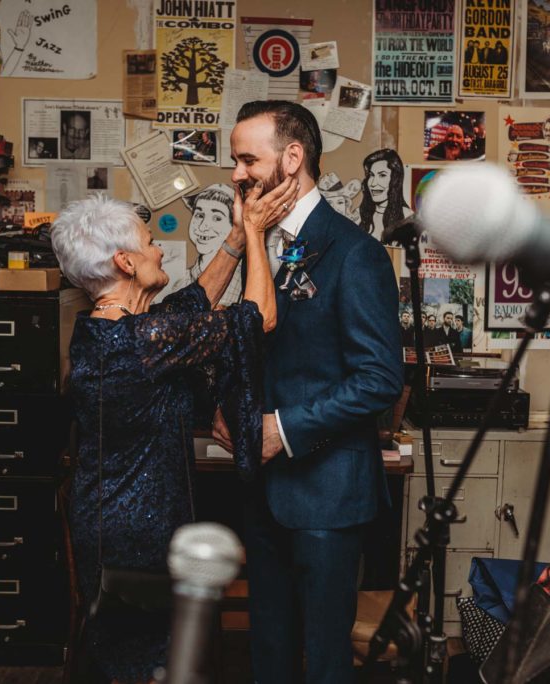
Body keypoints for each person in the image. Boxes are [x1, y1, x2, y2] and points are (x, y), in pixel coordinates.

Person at [51, 181, 294, 683]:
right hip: (139, 536)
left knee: (131, 656)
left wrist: (230, 237)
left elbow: (194, 302)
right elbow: (259, 318)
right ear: (125, 262)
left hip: (108, 520)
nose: (159, 246)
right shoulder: (146, 341)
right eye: (148, 240)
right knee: (150, 662)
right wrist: (254, 232)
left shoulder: (105, 331)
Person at [215, 100, 403, 684]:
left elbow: (379, 379)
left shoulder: (356, 253)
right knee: (267, 651)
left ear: (292, 158)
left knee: (324, 661)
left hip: (327, 494)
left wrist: (283, 428)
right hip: (264, 491)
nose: (237, 174)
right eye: (235, 161)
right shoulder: (255, 241)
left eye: (248, 159)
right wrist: (227, 408)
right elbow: (256, 346)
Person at [180, 183, 244, 305]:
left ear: (234, 226)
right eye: (199, 215)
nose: (203, 226)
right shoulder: (183, 279)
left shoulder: (243, 279)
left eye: (217, 218)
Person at [358, 148, 413, 241]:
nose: (373, 183)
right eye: (371, 175)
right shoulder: (360, 215)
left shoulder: (407, 216)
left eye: (382, 175)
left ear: (395, 179)